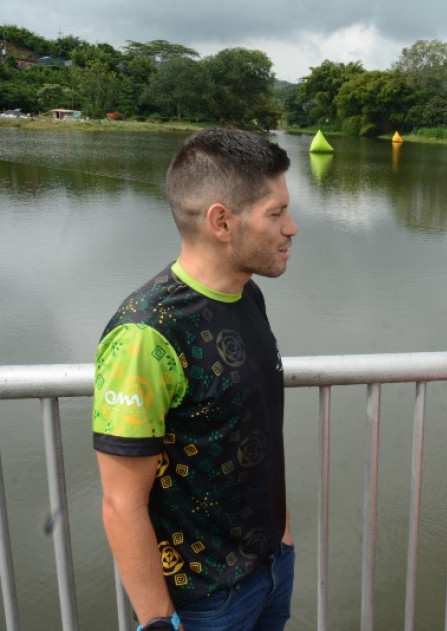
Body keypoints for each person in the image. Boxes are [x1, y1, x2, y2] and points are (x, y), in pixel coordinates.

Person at [92, 128, 299, 631]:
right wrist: (159, 622)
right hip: (204, 602)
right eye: (276, 214)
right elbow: (122, 503)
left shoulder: (248, 295)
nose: (291, 228)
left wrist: (284, 540)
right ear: (221, 221)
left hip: (271, 567)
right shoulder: (146, 335)